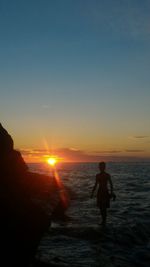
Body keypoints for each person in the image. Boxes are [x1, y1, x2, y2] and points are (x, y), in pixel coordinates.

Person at [91, 162, 115, 226]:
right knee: (101, 208)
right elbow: (95, 185)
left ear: (104, 167)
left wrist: (112, 192)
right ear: (99, 167)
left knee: (104, 208)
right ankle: (103, 221)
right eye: (100, 166)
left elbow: (111, 184)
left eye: (103, 166)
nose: (101, 168)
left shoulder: (107, 175)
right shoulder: (97, 175)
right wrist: (92, 193)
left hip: (105, 192)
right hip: (99, 193)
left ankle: (104, 221)